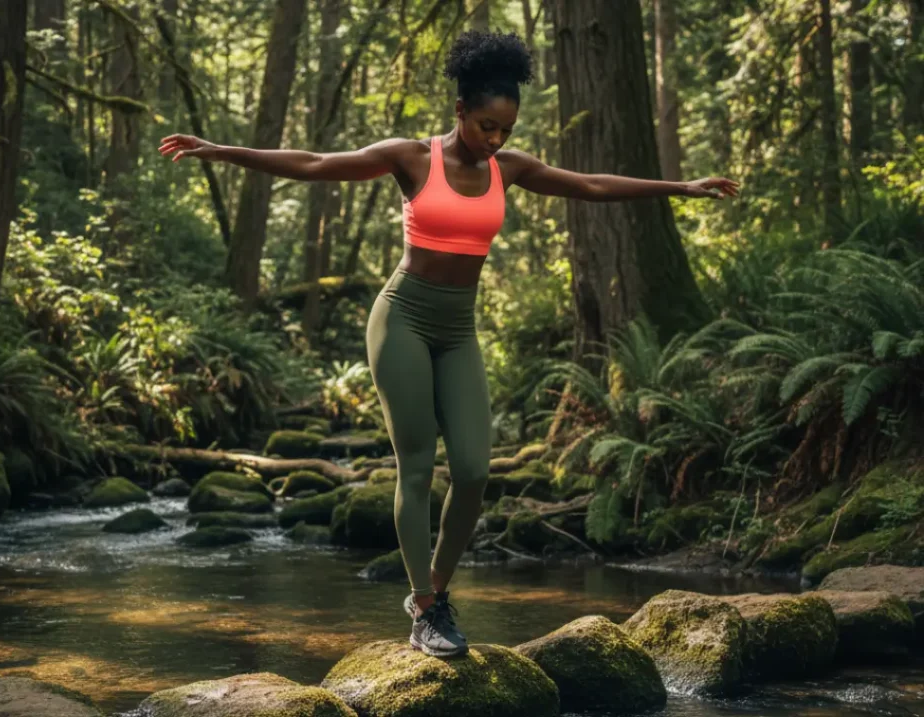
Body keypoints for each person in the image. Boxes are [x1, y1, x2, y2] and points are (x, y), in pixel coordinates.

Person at [159, 30, 739, 659]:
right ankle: (428, 610)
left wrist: (678, 190)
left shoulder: (509, 170)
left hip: (458, 330)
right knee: (415, 463)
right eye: (487, 126)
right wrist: (221, 151)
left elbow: (591, 186)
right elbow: (318, 165)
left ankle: (432, 591)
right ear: (460, 110)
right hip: (402, 318)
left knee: (473, 469)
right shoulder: (412, 157)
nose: (495, 140)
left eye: (506, 131)